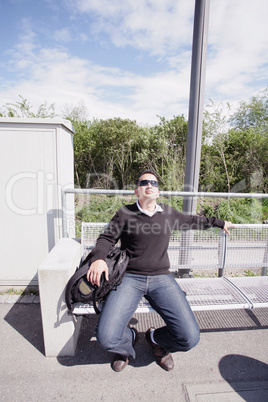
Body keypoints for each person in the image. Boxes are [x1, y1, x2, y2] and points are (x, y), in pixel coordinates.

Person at [87, 170, 235, 372]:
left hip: (161, 278)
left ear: (158, 191)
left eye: (153, 183)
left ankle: (156, 339)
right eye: (144, 182)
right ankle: (126, 341)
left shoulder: (168, 213)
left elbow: (193, 221)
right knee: (106, 338)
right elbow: (106, 239)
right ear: (136, 190)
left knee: (190, 337)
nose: (149, 185)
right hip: (129, 278)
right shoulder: (125, 213)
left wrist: (220, 223)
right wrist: (98, 260)